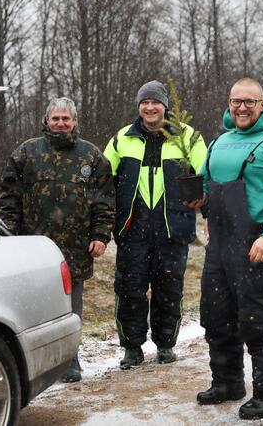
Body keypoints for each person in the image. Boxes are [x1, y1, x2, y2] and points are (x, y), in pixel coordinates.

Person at [192, 78, 263, 420]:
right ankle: (227, 382)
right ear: (228, 104)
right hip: (221, 243)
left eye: (249, 102)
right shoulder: (220, 143)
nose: (241, 107)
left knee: (256, 317)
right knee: (216, 314)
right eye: (236, 101)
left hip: (258, 243)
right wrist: (198, 199)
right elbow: (205, 184)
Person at [0, 97, 114, 383]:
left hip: (75, 247)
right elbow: (8, 197)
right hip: (33, 249)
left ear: (75, 122)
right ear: (46, 121)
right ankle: (32, 362)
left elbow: (104, 201)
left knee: (71, 308)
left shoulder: (91, 156)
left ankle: (69, 360)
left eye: (66, 119)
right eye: (55, 119)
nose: (60, 123)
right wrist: (8, 233)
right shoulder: (27, 152)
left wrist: (100, 235)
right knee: (32, 307)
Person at [103, 80, 207, 369]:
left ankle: (165, 345)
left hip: (173, 230)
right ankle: (132, 348)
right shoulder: (121, 139)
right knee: (129, 290)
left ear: (165, 106)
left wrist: (210, 217)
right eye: (145, 103)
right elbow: (102, 185)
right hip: (132, 230)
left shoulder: (189, 137)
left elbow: (206, 178)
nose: (150, 107)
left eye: (156, 102)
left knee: (169, 289)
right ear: (139, 107)